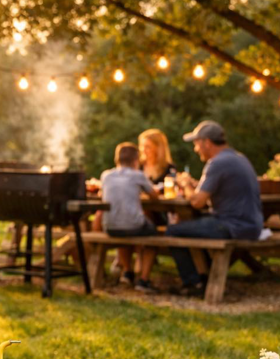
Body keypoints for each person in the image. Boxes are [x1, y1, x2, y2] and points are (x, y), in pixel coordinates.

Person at [166, 120, 264, 296]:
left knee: (173, 231)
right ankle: (204, 277)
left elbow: (197, 202)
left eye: (196, 144)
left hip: (233, 225)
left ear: (207, 142)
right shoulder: (238, 158)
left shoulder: (217, 163)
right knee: (195, 228)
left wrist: (185, 184)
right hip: (251, 224)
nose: (196, 149)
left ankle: (193, 283)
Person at [96, 142, 160, 293]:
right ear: (136, 160)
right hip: (132, 225)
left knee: (123, 230)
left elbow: (101, 194)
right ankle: (143, 280)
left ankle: (127, 272)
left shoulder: (106, 175)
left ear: (117, 159)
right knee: (155, 237)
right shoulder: (138, 175)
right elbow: (155, 197)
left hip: (110, 227)